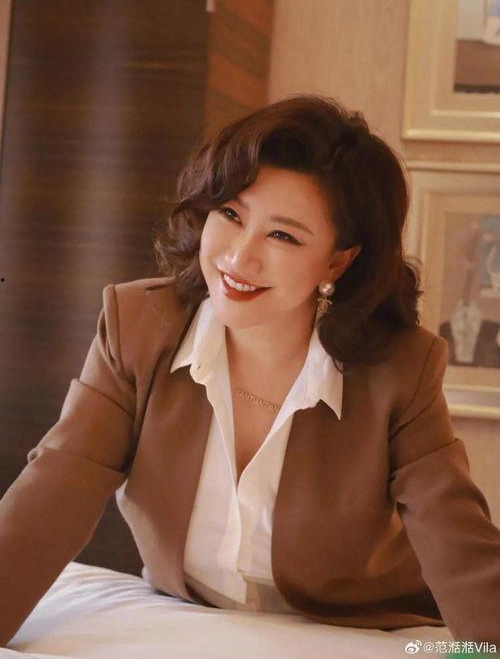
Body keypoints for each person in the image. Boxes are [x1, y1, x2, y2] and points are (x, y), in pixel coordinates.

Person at [1, 94, 499, 648]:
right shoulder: (136, 328)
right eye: (231, 215)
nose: (239, 257)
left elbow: (458, 543)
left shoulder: (400, 371)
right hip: (192, 627)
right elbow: (53, 492)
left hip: (356, 634)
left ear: (338, 260)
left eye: (282, 235)